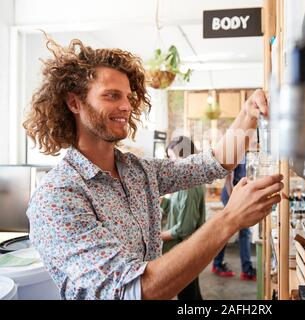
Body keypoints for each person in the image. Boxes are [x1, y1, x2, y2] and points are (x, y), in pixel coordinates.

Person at [23, 37, 283, 300]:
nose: (126, 106)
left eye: (128, 97)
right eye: (112, 96)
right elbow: (132, 292)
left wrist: (248, 114)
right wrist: (229, 218)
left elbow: (214, 162)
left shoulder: (137, 171)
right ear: (74, 103)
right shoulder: (56, 198)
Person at [160, 136, 205, 300]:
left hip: (185, 250)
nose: (171, 163)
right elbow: (173, 206)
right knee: (189, 293)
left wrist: (158, 236)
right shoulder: (183, 180)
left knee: (189, 296)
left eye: (173, 158)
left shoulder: (189, 185)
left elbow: (184, 228)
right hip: (182, 250)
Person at [212, 159, 257, 281]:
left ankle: (217, 264)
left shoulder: (244, 153)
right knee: (243, 233)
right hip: (231, 196)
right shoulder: (237, 152)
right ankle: (246, 270)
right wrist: (235, 203)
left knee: (232, 232)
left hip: (236, 197)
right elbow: (228, 181)